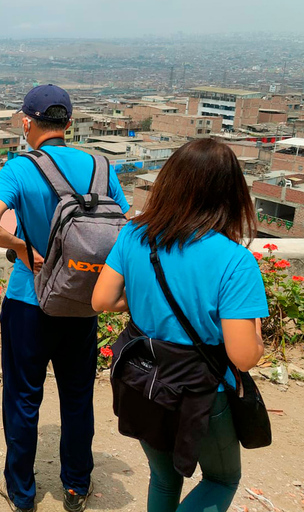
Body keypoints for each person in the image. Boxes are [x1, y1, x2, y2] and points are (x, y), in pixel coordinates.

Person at [92, 138, 267, 512]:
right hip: (200, 391)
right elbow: (244, 356)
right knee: (221, 479)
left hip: (143, 380)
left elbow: (102, 300)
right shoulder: (235, 261)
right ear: (231, 193)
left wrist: (140, 301)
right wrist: (257, 337)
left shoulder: (135, 234)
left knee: (164, 475)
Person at [0, 85, 130, 512]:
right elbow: (125, 230)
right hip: (82, 299)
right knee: (78, 395)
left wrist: (24, 249)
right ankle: (77, 485)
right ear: (69, 123)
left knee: (24, 397)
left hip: (30, 300)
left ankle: (22, 492)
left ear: (27, 122)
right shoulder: (101, 166)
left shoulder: (19, 168)